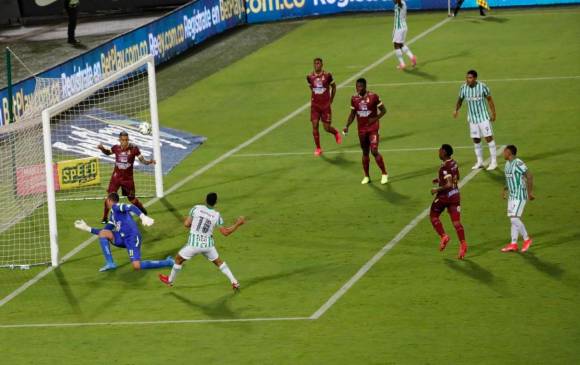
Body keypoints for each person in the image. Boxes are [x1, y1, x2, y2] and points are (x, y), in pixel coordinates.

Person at [159, 192, 245, 291]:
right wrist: (238, 223)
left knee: (178, 259)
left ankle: (170, 281)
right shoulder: (217, 215)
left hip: (193, 245)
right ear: (216, 202)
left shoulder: (196, 208)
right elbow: (225, 232)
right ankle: (234, 282)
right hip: (208, 245)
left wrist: (194, 224)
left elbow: (186, 224)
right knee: (219, 263)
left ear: (205, 199)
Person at [74, 192, 174, 272]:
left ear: (109, 200)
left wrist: (143, 217)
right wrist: (87, 228)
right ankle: (110, 263)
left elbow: (131, 207)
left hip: (132, 238)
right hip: (122, 238)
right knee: (104, 233)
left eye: (106, 200)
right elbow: (104, 231)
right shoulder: (113, 215)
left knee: (137, 266)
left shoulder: (116, 207)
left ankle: (168, 262)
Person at [98, 131, 155, 223]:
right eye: (123, 140)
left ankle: (141, 209)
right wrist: (102, 148)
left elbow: (142, 160)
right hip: (116, 178)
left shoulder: (134, 149)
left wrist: (149, 162)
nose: (125, 142)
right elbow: (108, 152)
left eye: (126, 140)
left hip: (127, 180)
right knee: (109, 198)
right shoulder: (116, 148)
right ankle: (105, 217)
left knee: (132, 199)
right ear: (119, 140)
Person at [343, 78, 389, 185]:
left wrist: (375, 118)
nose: (359, 88)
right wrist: (347, 126)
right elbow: (352, 114)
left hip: (373, 128)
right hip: (362, 130)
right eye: (357, 86)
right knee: (365, 152)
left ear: (365, 86)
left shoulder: (373, 96)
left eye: (361, 86)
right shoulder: (354, 99)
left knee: (374, 151)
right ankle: (367, 176)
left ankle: (384, 174)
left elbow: (384, 110)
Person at [453, 70, 498, 171]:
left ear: (475, 78)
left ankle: (494, 162)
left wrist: (493, 113)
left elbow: (489, 99)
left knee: (488, 138)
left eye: (470, 78)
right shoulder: (463, 88)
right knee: (476, 139)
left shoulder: (482, 86)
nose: (468, 80)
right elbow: (460, 100)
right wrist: (456, 110)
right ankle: (479, 161)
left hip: (483, 117)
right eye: (467, 78)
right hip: (472, 119)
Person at [429, 144, 468, 259]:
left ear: (444, 152)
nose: (438, 152)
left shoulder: (444, 167)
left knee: (433, 216)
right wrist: (439, 180)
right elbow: (456, 177)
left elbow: (449, 183)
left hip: (444, 196)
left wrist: (437, 188)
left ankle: (444, 236)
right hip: (455, 195)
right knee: (456, 222)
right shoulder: (454, 163)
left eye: (440, 150)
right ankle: (463, 244)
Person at [501, 145, 534, 252]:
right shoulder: (507, 164)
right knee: (513, 220)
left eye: (504, 151)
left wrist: (530, 192)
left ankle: (527, 239)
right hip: (512, 195)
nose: (503, 153)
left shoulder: (518, 162)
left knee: (514, 218)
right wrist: (505, 189)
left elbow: (529, 175)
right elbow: (509, 177)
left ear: (509, 152)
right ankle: (513, 244)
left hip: (520, 195)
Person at [306, 57, 341, 156]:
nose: (317, 65)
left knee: (326, 128)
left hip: (325, 106)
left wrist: (331, 99)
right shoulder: (309, 77)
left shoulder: (327, 76)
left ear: (322, 65)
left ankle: (335, 133)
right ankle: (318, 148)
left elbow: (334, 87)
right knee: (315, 125)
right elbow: (311, 88)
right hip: (315, 106)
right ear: (314, 65)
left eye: (318, 63)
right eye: (315, 63)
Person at [392, 0, 417, 70]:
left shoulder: (401, 4)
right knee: (401, 44)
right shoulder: (401, 3)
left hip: (399, 28)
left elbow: (398, 2)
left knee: (396, 45)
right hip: (404, 27)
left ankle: (402, 63)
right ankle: (412, 57)